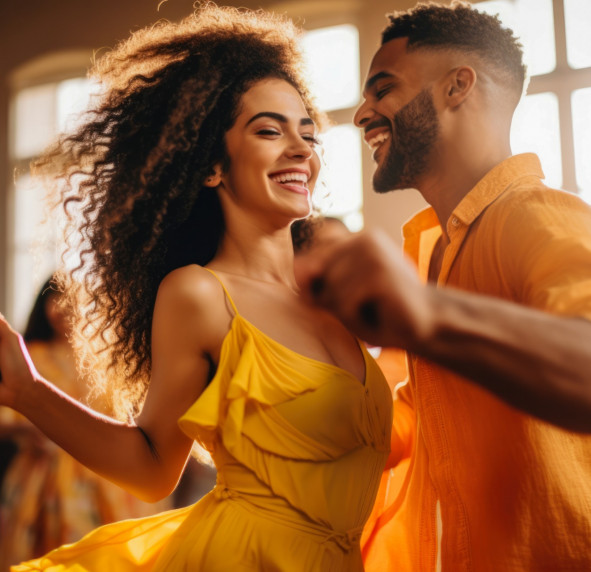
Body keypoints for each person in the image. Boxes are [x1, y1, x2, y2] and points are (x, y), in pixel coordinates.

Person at [0, 4, 392, 570]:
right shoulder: (199, 294)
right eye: (268, 130)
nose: (301, 149)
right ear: (211, 166)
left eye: (307, 132)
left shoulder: (332, 295)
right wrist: (26, 392)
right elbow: (154, 465)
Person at [296, 2, 591, 571]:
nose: (361, 115)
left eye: (383, 89)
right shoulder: (437, 249)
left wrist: (429, 315)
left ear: (458, 87)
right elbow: (429, 415)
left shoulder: (536, 216)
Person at [0, 276, 171, 569]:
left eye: (71, 300)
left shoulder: (104, 360)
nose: (62, 308)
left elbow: (125, 414)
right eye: (54, 298)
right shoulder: (32, 356)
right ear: (43, 306)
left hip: (106, 473)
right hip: (45, 477)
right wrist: (28, 429)